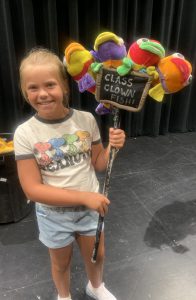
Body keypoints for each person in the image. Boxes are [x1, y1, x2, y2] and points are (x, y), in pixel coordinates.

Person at [14, 47, 126, 300]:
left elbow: (98, 163)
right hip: (53, 215)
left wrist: (112, 148)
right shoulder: (25, 133)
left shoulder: (86, 120)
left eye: (50, 85)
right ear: (24, 91)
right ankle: (63, 296)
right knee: (60, 263)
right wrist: (84, 197)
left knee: (97, 255)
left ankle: (95, 286)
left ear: (64, 86)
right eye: (33, 88)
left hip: (89, 210)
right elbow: (32, 189)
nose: (42, 94)